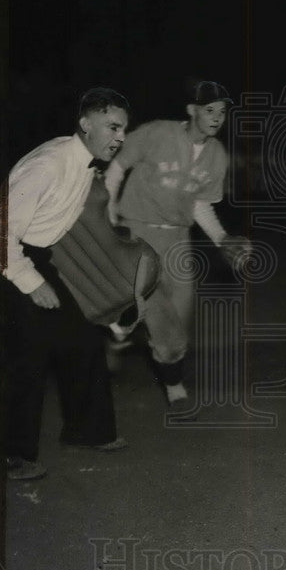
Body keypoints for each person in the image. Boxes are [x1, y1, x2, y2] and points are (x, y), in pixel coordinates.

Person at [0, 87, 131, 481]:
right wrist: (31, 282)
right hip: (10, 255)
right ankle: (1, 455)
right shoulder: (50, 164)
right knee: (27, 357)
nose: (121, 137)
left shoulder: (83, 160)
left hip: (42, 252)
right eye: (113, 127)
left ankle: (88, 430)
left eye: (124, 129)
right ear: (85, 124)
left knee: (84, 334)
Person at [104, 77, 251, 407]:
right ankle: (172, 384)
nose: (216, 118)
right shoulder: (158, 132)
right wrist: (111, 214)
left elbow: (200, 203)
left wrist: (222, 238)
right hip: (137, 230)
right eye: (209, 110)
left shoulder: (216, 155)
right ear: (191, 110)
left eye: (222, 112)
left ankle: (123, 331)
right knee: (156, 311)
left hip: (177, 238)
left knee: (180, 315)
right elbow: (118, 166)